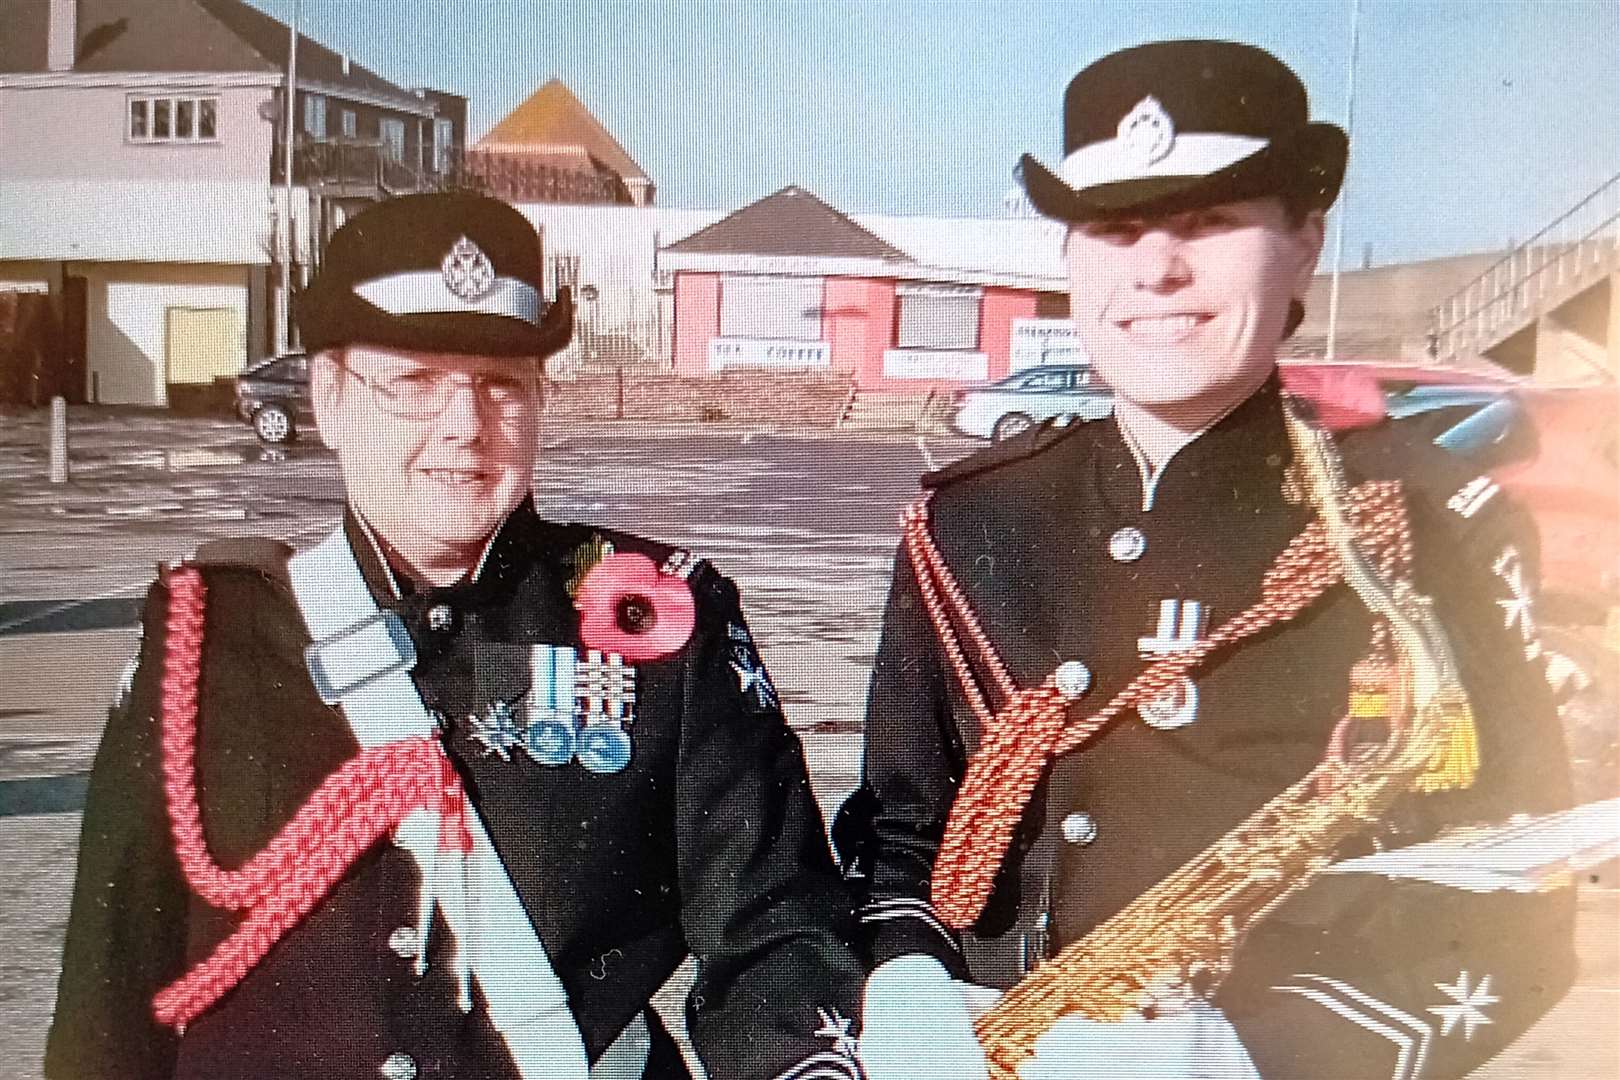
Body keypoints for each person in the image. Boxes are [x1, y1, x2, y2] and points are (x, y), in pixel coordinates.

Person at [840, 40, 1576, 1080]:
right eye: (1112, 227)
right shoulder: (972, 518)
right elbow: (902, 827)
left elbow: (1519, 896)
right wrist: (905, 974)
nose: (1154, 269)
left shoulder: (1424, 519)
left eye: (1207, 222)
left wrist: (1254, 1052)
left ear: (1304, 242)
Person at [45, 192, 869, 1080]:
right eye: (413, 384)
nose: (464, 427)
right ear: (328, 395)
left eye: (500, 386)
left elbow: (776, 938)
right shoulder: (206, 639)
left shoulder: (664, 622)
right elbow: (110, 995)